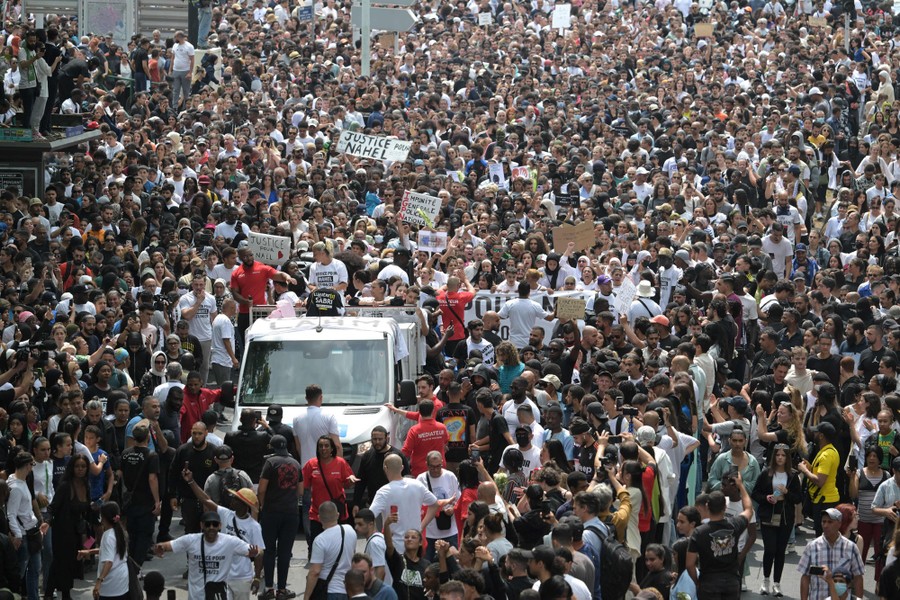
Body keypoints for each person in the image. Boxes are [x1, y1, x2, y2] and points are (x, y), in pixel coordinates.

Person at [153, 510, 260, 599]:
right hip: (196, 597)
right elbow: (168, 545)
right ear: (202, 525)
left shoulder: (230, 542)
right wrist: (160, 547)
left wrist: (254, 554)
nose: (211, 527)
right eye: (207, 524)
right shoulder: (191, 540)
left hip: (218, 596)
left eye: (215, 524)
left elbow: (258, 551)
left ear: (220, 526)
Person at [686, 474, 753, 600]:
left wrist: (697, 582)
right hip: (731, 584)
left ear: (707, 507)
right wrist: (741, 486)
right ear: (725, 507)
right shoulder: (735, 524)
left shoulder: (699, 532)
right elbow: (749, 509)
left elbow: (690, 564)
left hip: (708, 585)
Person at [751, 443, 803, 596]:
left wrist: (787, 493)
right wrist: (766, 498)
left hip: (785, 518)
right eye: (778, 455)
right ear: (774, 457)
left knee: (781, 551)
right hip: (768, 516)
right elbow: (755, 493)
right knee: (770, 549)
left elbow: (798, 498)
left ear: (787, 457)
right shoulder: (766, 473)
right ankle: (765, 580)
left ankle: (777, 583)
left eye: (783, 455)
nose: (780, 458)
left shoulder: (793, 476)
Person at [301, 435, 358, 556]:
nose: (323, 448)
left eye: (326, 446)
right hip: (317, 515)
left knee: (338, 549)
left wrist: (350, 481)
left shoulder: (340, 463)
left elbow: (348, 482)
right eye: (321, 446)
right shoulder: (311, 464)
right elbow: (302, 485)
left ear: (332, 448)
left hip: (336, 513)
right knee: (316, 549)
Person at [369, 454, 439, 549]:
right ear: (402, 467)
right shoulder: (417, 485)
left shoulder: (383, 492)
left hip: (395, 547)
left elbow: (370, 516)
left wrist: (376, 536)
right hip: (415, 545)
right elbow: (435, 504)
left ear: (385, 468)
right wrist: (421, 527)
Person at [797, 508, 865, 600]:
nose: (825, 525)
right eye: (823, 522)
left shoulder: (851, 547)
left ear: (839, 524)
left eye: (830, 522)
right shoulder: (812, 547)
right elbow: (805, 577)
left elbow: (858, 577)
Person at [119, 423, 161, 566]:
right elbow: (152, 478)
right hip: (145, 501)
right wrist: (157, 501)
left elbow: (121, 475)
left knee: (132, 535)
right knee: (144, 535)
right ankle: (136, 566)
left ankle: (130, 564)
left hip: (130, 501)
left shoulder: (125, 453)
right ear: (148, 437)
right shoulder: (151, 455)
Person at [76, 502, 128, 600]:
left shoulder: (107, 536)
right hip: (122, 582)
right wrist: (89, 551)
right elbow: (109, 550)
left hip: (111, 585)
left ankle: (88, 562)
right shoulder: (121, 532)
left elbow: (109, 561)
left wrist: (99, 581)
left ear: (103, 518)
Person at [305, 501, 356, 600]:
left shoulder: (320, 540)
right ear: (337, 515)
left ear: (319, 518)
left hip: (329, 591)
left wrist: (306, 597)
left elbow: (315, 572)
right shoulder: (350, 530)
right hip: (347, 589)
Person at [799, 421, 842, 536]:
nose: (814, 434)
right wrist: (810, 467)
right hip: (823, 499)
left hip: (825, 501)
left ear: (821, 436)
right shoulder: (828, 451)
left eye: (816, 432)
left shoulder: (826, 455)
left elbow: (820, 481)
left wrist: (805, 471)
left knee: (823, 536)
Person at [8, 451, 41, 600]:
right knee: (20, 571)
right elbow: (11, 514)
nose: (32, 468)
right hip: (24, 535)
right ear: (27, 466)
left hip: (32, 532)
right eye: (32, 465)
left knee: (35, 569)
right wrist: (18, 535)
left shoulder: (20, 482)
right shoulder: (16, 488)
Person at [498, 282, 555, 348]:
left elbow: (499, 316)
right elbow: (550, 318)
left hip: (514, 343)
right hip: (529, 344)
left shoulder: (509, 304)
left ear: (518, 291)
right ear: (529, 291)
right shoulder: (535, 305)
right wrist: (556, 309)